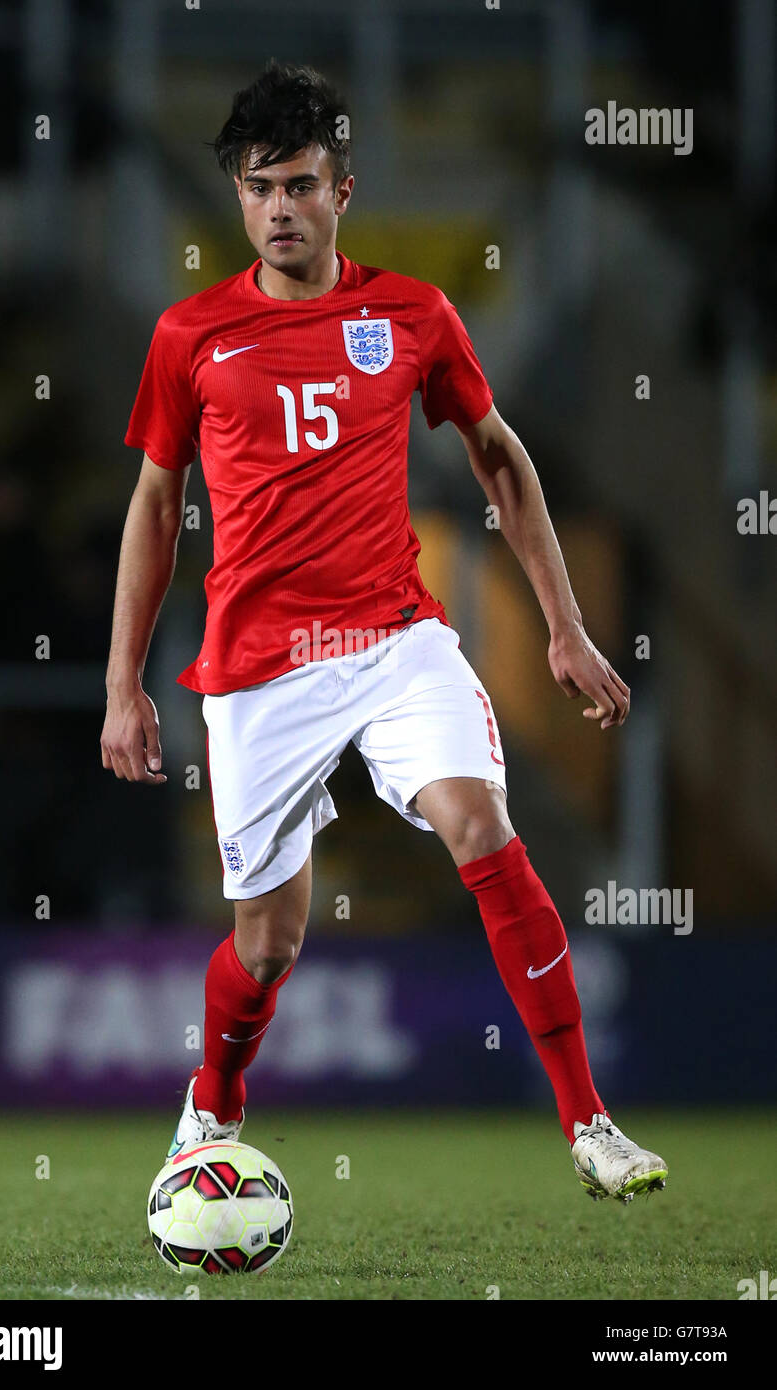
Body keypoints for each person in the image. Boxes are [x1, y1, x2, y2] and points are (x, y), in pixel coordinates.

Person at [101, 62, 667, 1204]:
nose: (276, 208)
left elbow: (497, 455)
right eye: (257, 186)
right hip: (258, 671)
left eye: (299, 184)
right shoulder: (189, 336)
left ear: (341, 190)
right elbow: (156, 506)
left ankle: (588, 1122)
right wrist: (122, 686)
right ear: (238, 195)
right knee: (265, 944)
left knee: (479, 824)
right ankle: (209, 1103)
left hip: (393, 637)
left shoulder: (412, 314)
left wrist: (561, 627)